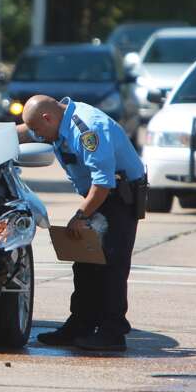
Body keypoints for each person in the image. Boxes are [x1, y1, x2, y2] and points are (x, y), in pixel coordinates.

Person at [17, 95, 146, 352]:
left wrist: (81, 216)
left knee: (110, 265)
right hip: (101, 196)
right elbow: (24, 132)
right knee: (85, 262)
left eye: (40, 130)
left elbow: (103, 184)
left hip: (117, 197)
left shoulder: (88, 129)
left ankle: (112, 332)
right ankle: (80, 325)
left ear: (48, 118)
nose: (38, 137)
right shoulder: (55, 120)